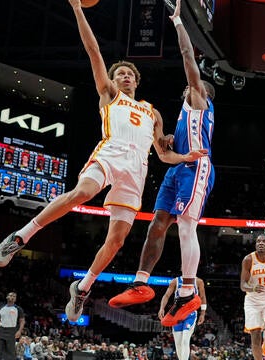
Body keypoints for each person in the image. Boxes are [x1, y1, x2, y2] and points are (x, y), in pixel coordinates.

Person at [0, 0, 207, 322]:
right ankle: (20, 236)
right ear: (113, 80)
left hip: (137, 169)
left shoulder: (153, 112)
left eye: (128, 74)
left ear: (136, 81)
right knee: (82, 193)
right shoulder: (109, 95)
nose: (124, 77)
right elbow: (93, 51)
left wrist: (184, 156)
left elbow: (163, 154)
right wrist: (78, 9)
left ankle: (83, 287)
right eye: (119, 74)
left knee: (117, 240)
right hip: (110, 153)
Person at [108, 0, 216, 328]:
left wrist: (179, 23)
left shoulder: (199, 100)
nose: (187, 86)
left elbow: (187, 58)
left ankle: (187, 291)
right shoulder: (183, 117)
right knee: (157, 222)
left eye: (192, 85)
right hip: (178, 169)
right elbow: (167, 153)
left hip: (197, 169)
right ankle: (140, 282)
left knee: (185, 225)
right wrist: (172, 145)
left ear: (203, 93)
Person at [158, 276, 207, 360]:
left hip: (190, 314)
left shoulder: (198, 281)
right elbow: (166, 295)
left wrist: (202, 313)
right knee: (178, 343)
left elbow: (202, 297)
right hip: (177, 314)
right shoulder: (175, 281)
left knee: (185, 340)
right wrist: (162, 308)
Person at [0, 292, 25, 360]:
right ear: (7, 297)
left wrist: (19, 331)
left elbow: (22, 321)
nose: (12, 297)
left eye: (14, 296)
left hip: (12, 331)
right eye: (11, 295)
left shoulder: (18, 309)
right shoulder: (1, 308)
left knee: (10, 352)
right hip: (1, 330)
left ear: (15, 299)